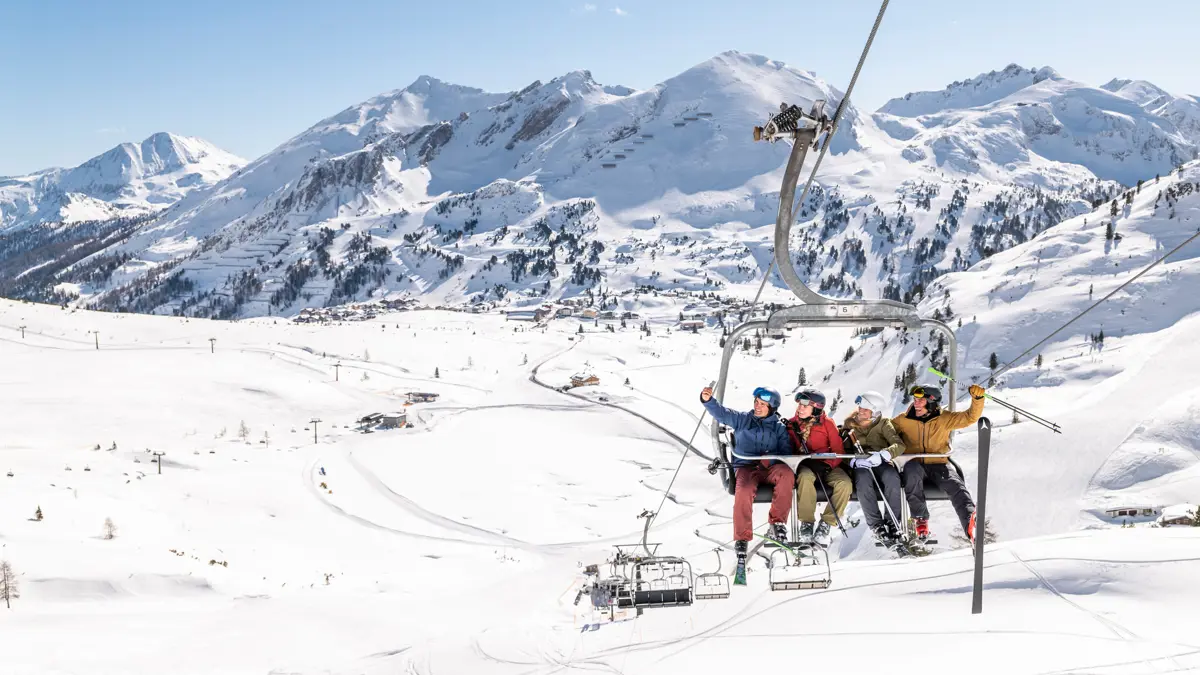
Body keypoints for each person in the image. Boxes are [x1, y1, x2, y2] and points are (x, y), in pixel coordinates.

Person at [701, 385, 794, 571]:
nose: (758, 407)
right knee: (743, 489)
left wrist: (772, 459)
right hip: (746, 467)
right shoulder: (743, 420)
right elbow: (722, 414)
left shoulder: (779, 428)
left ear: (772, 408)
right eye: (756, 402)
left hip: (770, 468)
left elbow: (787, 454)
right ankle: (742, 538)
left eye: (762, 404)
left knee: (787, 474)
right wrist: (708, 400)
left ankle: (777, 523)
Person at [892, 383, 986, 543]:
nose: (916, 403)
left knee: (956, 486)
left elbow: (969, 417)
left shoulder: (944, 419)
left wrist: (978, 399)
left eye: (920, 400)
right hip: (913, 463)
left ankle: (971, 524)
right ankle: (920, 519)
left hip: (938, 464)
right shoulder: (903, 420)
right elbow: (885, 430)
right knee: (912, 473)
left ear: (931, 402)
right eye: (915, 399)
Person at [784, 388, 851, 547]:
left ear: (816, 408)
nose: (800, 408)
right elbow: (788, 449)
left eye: (805, 405)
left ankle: (827, 524)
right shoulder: (792, 424)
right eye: (799, 404)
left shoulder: (827, 424)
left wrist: (827, 465)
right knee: (805, 478)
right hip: (805, 465)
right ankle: (806, 523)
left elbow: (838, 450)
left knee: (845, 484)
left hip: (827, 465)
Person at [843, 391, 906, 546]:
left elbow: (899, 445)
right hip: (861, 464)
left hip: (880, 462)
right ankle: (876, 525)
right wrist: (852, 462)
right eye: (860, 407)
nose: (860, 411)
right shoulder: (850, 425)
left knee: (892, 478)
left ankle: (893, 523)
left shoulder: (884, 423)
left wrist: (884, 455)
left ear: (874, 411)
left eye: (866, 409)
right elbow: (842, 449)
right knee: (863, 481)